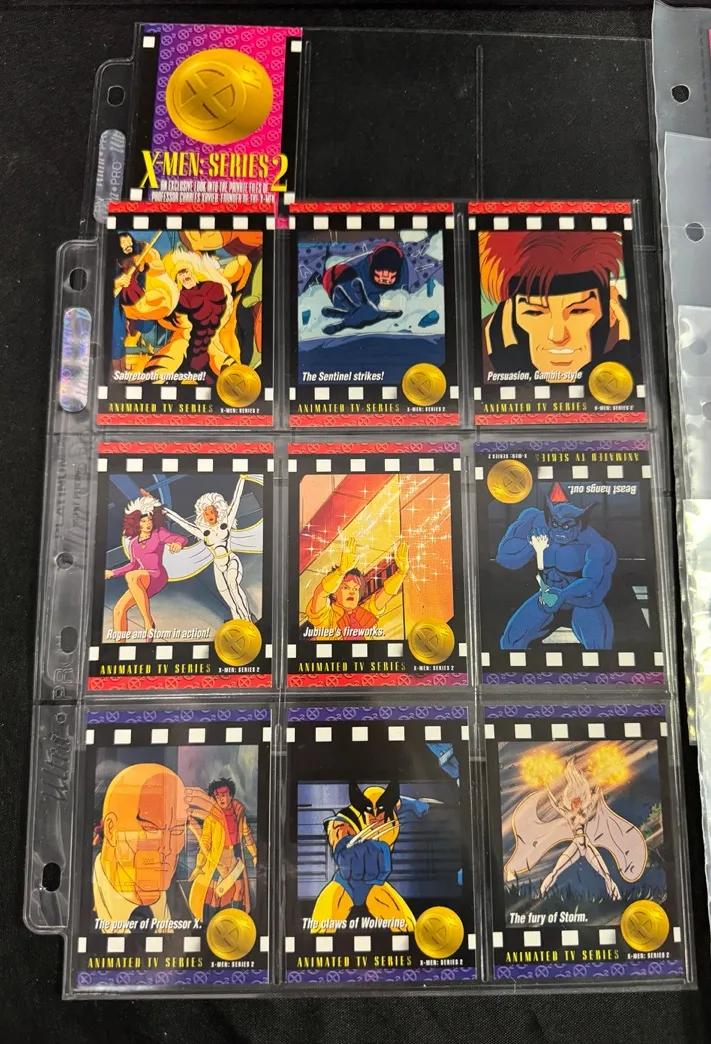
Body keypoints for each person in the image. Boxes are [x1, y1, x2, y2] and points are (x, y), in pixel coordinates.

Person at [479, 229, 631, 382]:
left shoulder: (632, 342)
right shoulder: (481, 357)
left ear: (612, 310)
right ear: (507, 315)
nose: (558, 336)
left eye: (578, 311)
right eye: (535, 313)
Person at [92, 763, 223, 931]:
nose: (167, 848)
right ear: (112, 829)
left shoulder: (187, 894)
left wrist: (221, 841)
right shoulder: (73, 893)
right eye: (151, 828)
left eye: (177, 829)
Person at [504, 757, 647, 899]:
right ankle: (540, 894)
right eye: (574, 802)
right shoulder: (568, 814)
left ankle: (616, 897)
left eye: (578, 801)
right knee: (556, 871)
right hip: (576, 844)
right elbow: (556, 805)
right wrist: (547, 789)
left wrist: (599, 784)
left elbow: (594, 799)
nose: (576, 804)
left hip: (586, 844)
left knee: (606, 874)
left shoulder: (585, 811)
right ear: (570, 802)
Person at [495, 482, 616, 650]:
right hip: (546, 597)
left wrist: (564, 595)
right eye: (554, 524)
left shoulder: (594, 543)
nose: (559, 530)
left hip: (581, 602)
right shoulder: (535, 522)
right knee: (510, 642)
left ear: (579, 524)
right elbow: (504, 557)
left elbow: (594, 583)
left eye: (566, 526)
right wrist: (531, 544)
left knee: (600, 650)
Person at [311, 781, 430, 934]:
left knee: (408, 928)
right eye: (369, 810)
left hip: (375, 885)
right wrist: (349, 848)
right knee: (320, 930)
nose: (375, 816)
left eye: (380, 810)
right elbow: (339, 837)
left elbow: (398, 801)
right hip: (345, 884)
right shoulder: (347, 819)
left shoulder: (391, 810)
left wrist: (415, 804)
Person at [148, 478, 255, 621]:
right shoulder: (203, 532)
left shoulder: (225, 523)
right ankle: (238, 620)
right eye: (206, 513)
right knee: (226, 594)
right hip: (218, 565)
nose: (210, 516)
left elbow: (236, 501)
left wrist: (242, 479)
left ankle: (247, 618)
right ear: (202, 515)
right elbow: (180, 520)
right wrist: (157, 504)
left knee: (233, 587)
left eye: (212, 512)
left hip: (231, 561)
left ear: (217, 511)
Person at [105, 495, 187, 640]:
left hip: (157, 576)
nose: (148, 523)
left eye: (149, 519)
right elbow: (133, 565)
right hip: (140, 581)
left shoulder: (158, 533)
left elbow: (181, 538)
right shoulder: (134, 544)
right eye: (143, 521)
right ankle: (118, 646)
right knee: (118, 610)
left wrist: (178, 544)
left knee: (132, 576)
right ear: (136, 523)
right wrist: (113, 572)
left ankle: (148, 622)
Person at [305, 537, 409, 638]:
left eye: (355, 589)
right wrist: (341, 571)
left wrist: (401, 573)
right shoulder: (326, 617)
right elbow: (320, 594)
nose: (352, 592)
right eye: (345, 588)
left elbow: (386, 594)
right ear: (334, 593)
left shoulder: (363, 614)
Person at [191, 777, 257, 918]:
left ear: (230, 795)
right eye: (217, 796)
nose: (221, 798)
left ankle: (236, 919)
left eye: (224, 794)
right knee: (214, 893)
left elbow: (246, 833)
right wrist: (199, 865)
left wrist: (255, 855)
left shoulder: (239, 813)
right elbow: (205, 842)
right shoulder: (211, 818)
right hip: (216, 859)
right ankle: (211, 922)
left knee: (238, 890)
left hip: (235, 857)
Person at [320, 242, 407, 335]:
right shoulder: (352, 274)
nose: (385, 277)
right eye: (381, 273)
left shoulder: (405, 279)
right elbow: (337, 285)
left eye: (390, 273)